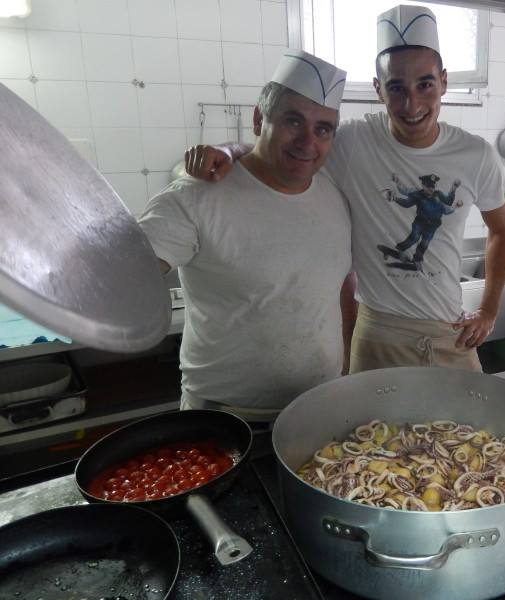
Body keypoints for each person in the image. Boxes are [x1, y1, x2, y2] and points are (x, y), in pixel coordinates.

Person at [184, 5, 505, 374]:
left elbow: (502, 230)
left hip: (451, 333)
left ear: (444, 82)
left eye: (425, 84)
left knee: (470, 416)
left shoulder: (476, 155)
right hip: (378, 334)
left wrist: (488, 310)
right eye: (396, 88)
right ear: (378, 89)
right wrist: (229, 151)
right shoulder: (354, 142)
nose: (412, 104)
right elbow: (282, 151)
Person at [138, 51, 353, 423]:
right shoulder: (197, 197)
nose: (307, 141)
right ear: (258, 119)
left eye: (322, 129)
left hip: (317, 411)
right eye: (293, 121)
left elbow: (343, 286)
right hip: (223, 420)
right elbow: (125, 271)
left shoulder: (335, 193)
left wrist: (345, 373)